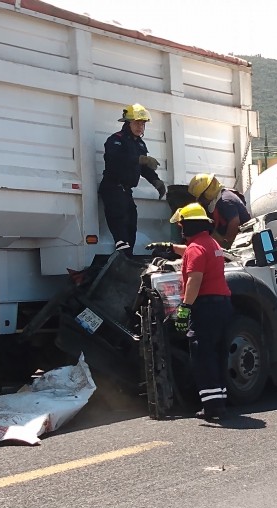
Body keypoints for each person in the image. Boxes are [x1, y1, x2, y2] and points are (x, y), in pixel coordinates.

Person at [169, 203, 233, 420]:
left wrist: (185, 308)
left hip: (206, 307)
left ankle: (212, 408)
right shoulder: (210, 243)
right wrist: (170, 247)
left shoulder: (196, 248)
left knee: (203, 355)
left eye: (182, 225)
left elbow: (194, 281)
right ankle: (220, 401)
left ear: (190, 225)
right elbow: (193, 252)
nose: (180, 229)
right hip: (223, 305)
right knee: (218, 353)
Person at [99, 103, 166, 256]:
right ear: (127, 123)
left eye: (143, 124)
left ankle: (127, 256)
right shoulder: (116, 140)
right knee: (120, 222)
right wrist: (140, 159)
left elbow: (144, 168)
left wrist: (156, 182)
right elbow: (115, 159)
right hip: (113, 188)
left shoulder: (140, 144)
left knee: (131, 223)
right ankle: (123, 256)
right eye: (136, 123)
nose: (140, 127)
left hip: (125, 191)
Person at [188, 173, 250, 248]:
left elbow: (234, 223)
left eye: (201, 198)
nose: (202, 202)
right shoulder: (219, 199)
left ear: (207, 193)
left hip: (243, 242)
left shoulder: (225, 201)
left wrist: (226, 247)